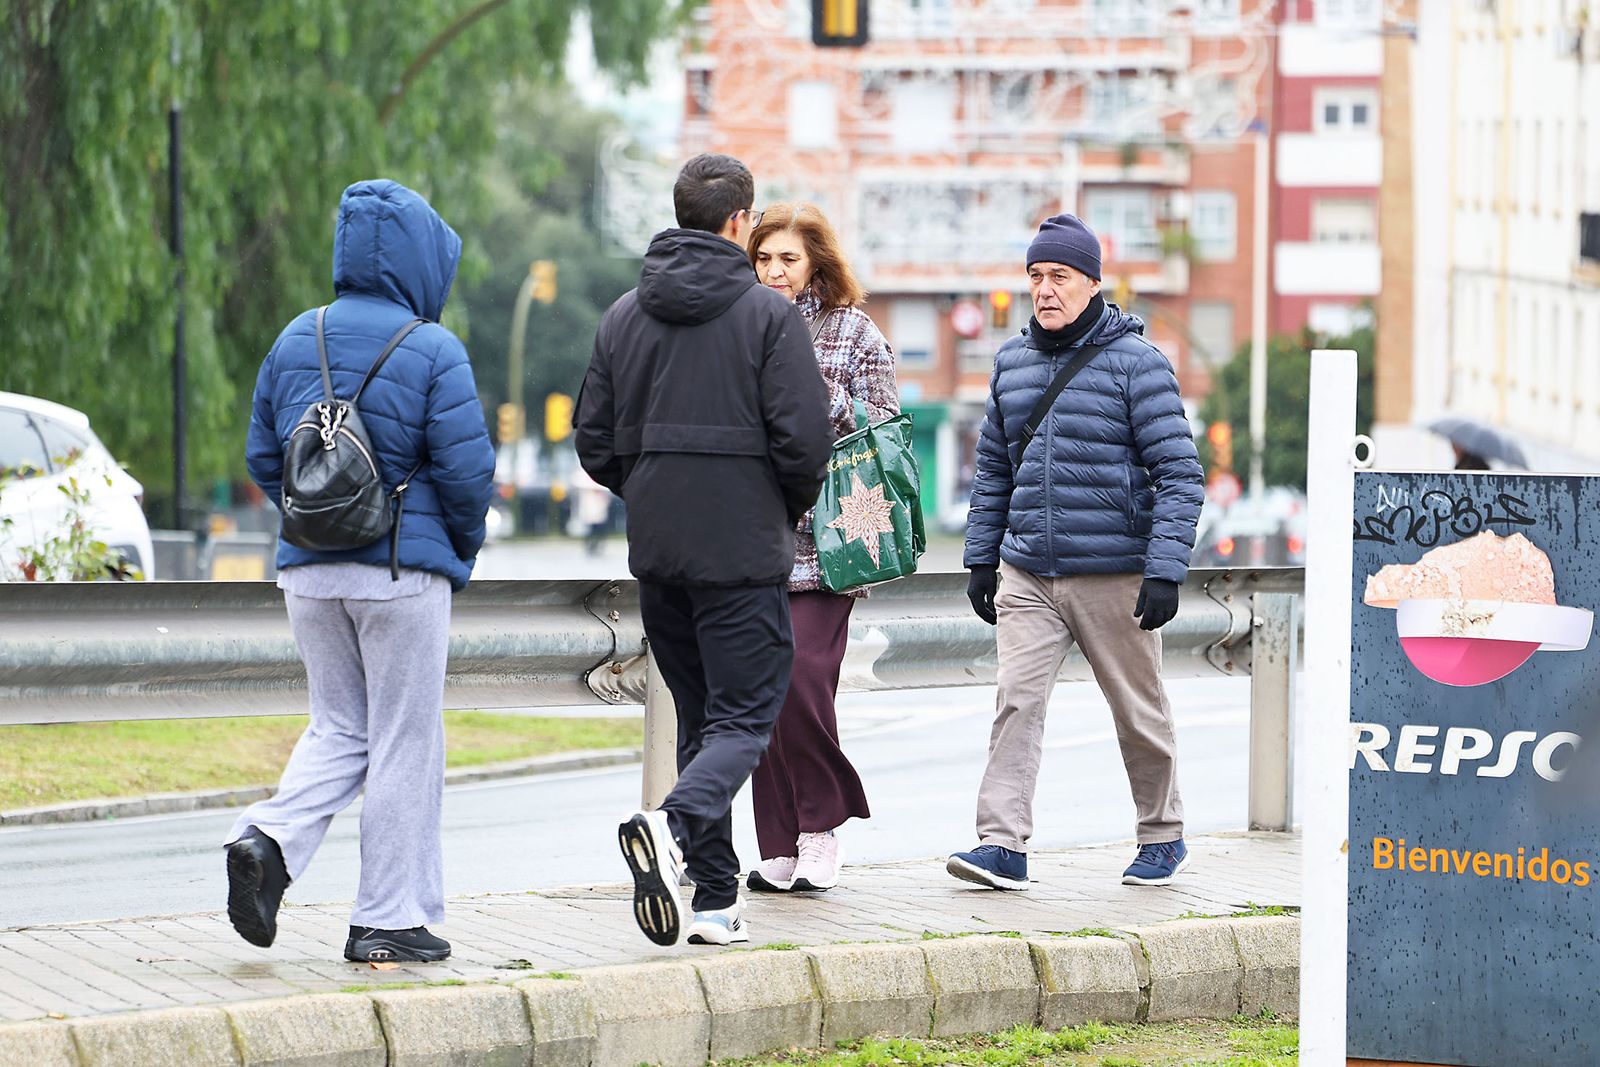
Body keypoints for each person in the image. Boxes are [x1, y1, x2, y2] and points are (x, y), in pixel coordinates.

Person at [228, 179, 496, 962]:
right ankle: (387, 915)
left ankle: (267, 840)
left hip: (308, 571)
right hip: (397, 574)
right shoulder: (432, 347)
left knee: (340, 724)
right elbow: (467, 471)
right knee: (405, 739)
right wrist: (459, 548)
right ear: (421, 258)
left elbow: (261, 457)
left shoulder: (293, 337)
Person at [574, 155, 833, 946]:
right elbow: (805, 442)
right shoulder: (768, 317)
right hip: (742, 552)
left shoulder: (623, 314)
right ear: (739, 221)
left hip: (660, 552)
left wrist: (653, 490)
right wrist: (775, 507)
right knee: (747, 715)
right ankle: (675, 823)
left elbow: (593, 442)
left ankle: (717, 899)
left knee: (702, 721)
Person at [949, 213, 1204, 892]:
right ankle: (1001, 843)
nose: (1045, 289)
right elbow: (993, 470)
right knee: (1016, 702)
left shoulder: (1138, 363)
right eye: (1035, 276)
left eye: (1060, 275)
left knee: (1137, 707)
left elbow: (1179, 473)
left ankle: (1161, 832)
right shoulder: (1011, 362)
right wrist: (982, 557)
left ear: (1093, 282)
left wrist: (1164, 570)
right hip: (1028, 569)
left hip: (1113, 570)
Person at [743, 203, 897, 894]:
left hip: (828, 543)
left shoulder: (854, 331)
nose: (774, 270)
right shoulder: (735, 323)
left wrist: (814, 387)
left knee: (804, 680)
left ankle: (820, 825)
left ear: (815, 265)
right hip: (748, 539)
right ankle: (775, 839)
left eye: (788, 259)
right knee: (759, 695)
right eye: (763, 257)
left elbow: (885, 428)